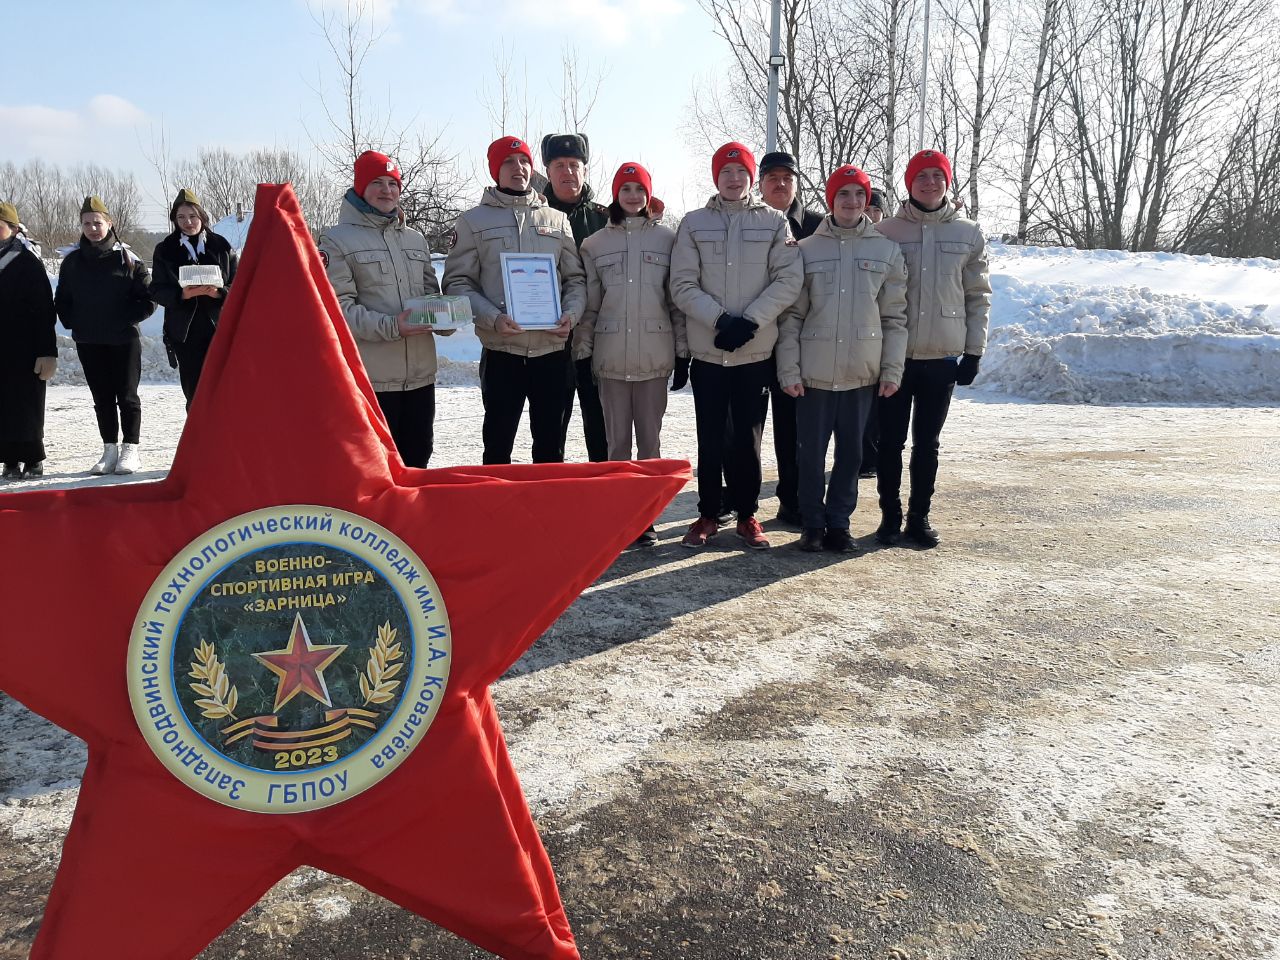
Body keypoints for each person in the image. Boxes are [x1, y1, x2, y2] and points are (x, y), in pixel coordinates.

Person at [671, 142, 803, 550]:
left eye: (741, 172)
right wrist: (720, 319)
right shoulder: (693, 223)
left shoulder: (774, 223)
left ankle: (747, 514)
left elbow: (788, 280)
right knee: (710, 437)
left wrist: (749, 321)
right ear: (716, 177)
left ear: (751, 179)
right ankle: (708, 512)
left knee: (748, 437)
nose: (733, 179)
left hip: (754, 352)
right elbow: (681, 283)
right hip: (710, 352)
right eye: (725, 172)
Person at [776, 166, 907, 553]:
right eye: (843, 194)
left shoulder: (885, 250)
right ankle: (812, 526)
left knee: (851, 455)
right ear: (831, 200)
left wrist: (892, 369)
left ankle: (839, 524)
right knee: (810, 454)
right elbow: (791, 316)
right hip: (813, 373)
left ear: (867, 201)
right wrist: (789, 368)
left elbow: (895, 317)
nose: (851, 202)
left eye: (858, 195)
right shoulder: (806, 249)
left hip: (861, 372)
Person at [443, 136, 586, 464]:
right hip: (502, 353)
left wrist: (571, 315)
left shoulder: (556, 220)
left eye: (523, 161)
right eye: (508, 162)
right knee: (497, 446)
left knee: (551, 450)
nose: (518, 168)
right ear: (496, 170)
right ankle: (497, 515)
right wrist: (492, 317)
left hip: (551, 352)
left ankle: (547, 514)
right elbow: (457, 282)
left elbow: (575, 280)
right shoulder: (473, 222)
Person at [874, 149, 991, 547]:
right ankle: (889, 516)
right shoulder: (887, 231)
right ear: (909, 184)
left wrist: (973, 351)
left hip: (941, 357)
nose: (929, 183)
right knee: (889, 442)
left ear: (947, 182)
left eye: (936, 176)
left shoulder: (968, 233)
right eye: (920, 176)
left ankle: (918, 516)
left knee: (928, 442)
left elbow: (977, 295)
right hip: (894, 358)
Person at [574, 163, 687, 544]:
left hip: (655, 355)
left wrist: (683, 351)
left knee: (650, 443)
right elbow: (590, 305)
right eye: (626, 189)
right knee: (616, 442)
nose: (633, 196)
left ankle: (645, 518)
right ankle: (618, 515)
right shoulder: (594, 245)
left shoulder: (669, 241)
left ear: (648, 193)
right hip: (611, 356)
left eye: (639, 189)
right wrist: (583, 349)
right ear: (615, 195)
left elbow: (675, 303)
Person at [320, 151, 449, 468]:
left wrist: (447, 316)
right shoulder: (335, 240)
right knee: (374, 468)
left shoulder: (416, 240)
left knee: (418, 460)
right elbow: (339, 311)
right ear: (360, 188)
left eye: (393, 183)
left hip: (420, 378)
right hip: (373, 381)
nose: (387, 190)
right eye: (377, 183)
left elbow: (430, 294)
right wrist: (394, 326)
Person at [54, 196, 153, 476]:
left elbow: (148, 299)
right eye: (87, 223)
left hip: (124, 340)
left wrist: (124, 319)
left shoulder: (127, 259)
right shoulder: (72, 261)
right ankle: (109, 449)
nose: (92, 228)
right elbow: (62, 299)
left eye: (97, 222)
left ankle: (130, 449)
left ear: (109, 223)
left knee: (127, 396)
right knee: (102, 398)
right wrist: (74, 323)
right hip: (89, 340)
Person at [757, 151, 824, 528]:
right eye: (772, 178)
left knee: (794, 426)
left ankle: (793, 498)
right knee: (745, 426)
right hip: (752, 336)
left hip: (800, 341)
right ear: (760, 184)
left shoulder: (819, 227)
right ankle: (737, 497)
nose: (780, 184)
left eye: (787, 177)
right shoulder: (748, 223)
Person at [541, 133, 610, 464]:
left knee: (601, 425)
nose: (567, 172)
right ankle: (552, 499)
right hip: (550, 335)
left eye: (574, 164)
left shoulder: (606, 218)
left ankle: (604, 497)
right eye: (559, 165)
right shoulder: (533, 216)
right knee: (551, 428)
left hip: (597, 336)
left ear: (585, 169)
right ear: (548, 170)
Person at [148, 189, 238, 410]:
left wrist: (219, 293)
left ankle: (226, 441)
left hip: (219, 328)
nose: (187, 222)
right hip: (185, 332)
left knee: (225, 389)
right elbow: (156, 289)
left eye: (192, 216)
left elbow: (239, 284)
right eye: (181, 217)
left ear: (202, 216)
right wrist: (182, 295)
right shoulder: (165, 249)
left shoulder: (221, 246)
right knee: (194, 393)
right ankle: (200, 441)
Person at [0, 202, 57, 480]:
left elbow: (45, 309)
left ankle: (33, 457)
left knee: (27, 404)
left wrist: (48, 350)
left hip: (25, 348)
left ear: (12, 229)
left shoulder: (27, 262)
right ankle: (9, 458)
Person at [861, 186, 891, 477]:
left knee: (881, 402)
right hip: (860, 338)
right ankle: (863, 456)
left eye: (875, 210)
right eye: (866, 209)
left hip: (887, 335)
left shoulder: (891, 246)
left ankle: (873, 456)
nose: (870, 216)